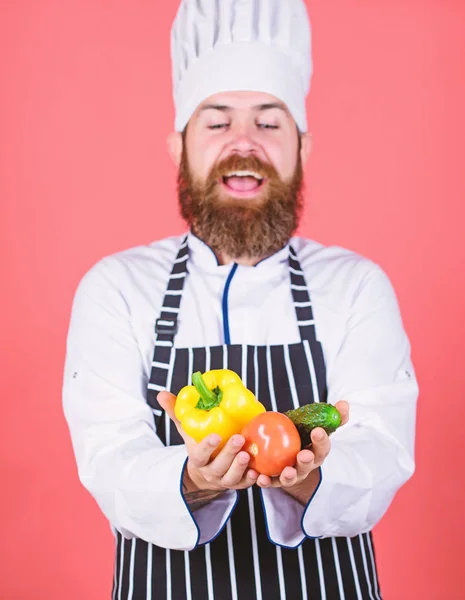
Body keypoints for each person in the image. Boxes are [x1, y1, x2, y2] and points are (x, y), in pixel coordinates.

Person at [62, 1, 419, 598]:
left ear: (303, 149)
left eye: (270, 122)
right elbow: (109, 462)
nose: (244, 142)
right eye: (218, 120)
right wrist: (191, 479)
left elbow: (379, 451)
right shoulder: (117, 287)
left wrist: (310, 481)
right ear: (180, 147)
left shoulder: (356, 285)